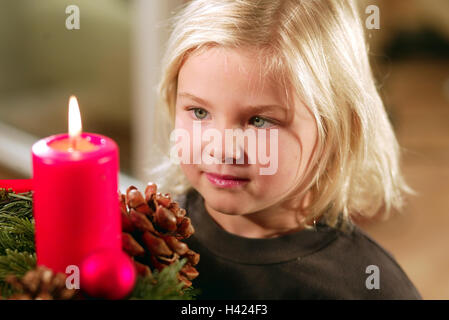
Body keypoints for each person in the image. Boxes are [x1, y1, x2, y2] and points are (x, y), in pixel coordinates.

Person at [150, 0, 422, 299]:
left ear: (336, 126)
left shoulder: (370, 286)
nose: (222, 150)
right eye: (199, 112)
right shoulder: (143, 243)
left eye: (259, 121)